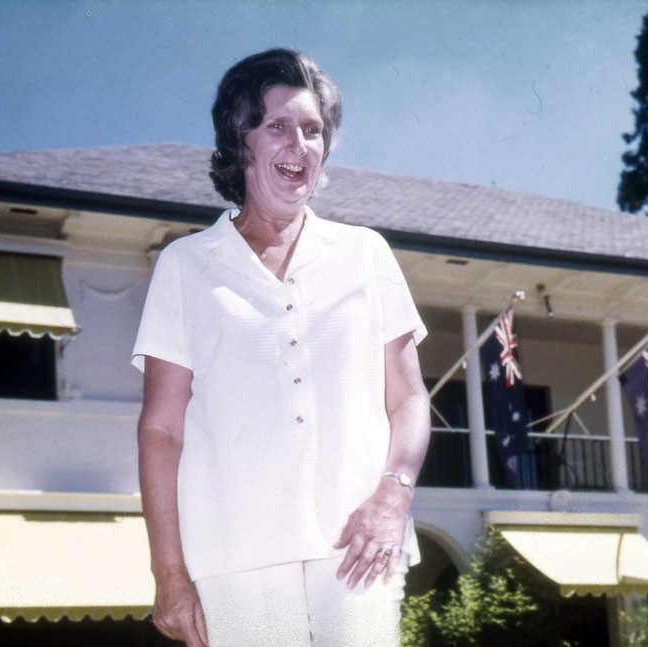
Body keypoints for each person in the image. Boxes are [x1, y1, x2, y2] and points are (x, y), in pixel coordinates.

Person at [132, 48, 431, 647]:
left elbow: (408, 399)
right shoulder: (186, 267)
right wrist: (169, 572)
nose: (300, 145)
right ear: (241, 141)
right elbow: (162, 431)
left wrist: (392, 498)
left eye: (314, 130)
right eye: (278, 127)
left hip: (358, 547)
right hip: (234, 560)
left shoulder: (365, 254)